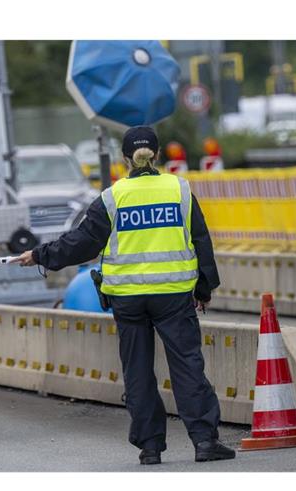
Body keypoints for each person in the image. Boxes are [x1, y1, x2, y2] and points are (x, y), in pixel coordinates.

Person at [14, 126, 235, 465]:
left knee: (137, 372)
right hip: (173, 297)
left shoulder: (112, 198)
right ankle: (205, 442)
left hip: (128, 300)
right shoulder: (180, 190)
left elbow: (81, 243)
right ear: (158, 155)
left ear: (125, 159)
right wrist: (203, 290)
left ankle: (150, 447)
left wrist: (41, 255)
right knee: (187, 367)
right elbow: (201, 242)